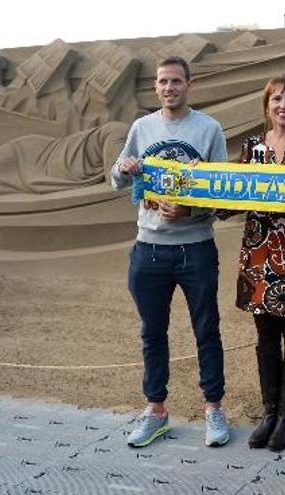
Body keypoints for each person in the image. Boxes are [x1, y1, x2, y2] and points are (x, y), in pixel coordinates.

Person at [111, 56, 231, 449]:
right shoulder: (142, 128)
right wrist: (125, 168)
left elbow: (222, 192)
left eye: (176, 81)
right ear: (156, 87)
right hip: (149, 249)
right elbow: (116, 178)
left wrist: (191, 207)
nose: (169, 88)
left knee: (206, 330)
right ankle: (156, 410)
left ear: (188, 85)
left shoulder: (208, 128)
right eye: (163, 82)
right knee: (152, 333)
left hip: (195, 247)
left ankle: (213, 408)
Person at [219, 76, 285, 452]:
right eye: (277, 99)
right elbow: (231, 195)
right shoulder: (252, 148)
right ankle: (269, 413)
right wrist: (200, 185)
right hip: (259, 252)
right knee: (265, 336)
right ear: (267, 107)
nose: (284, 105)